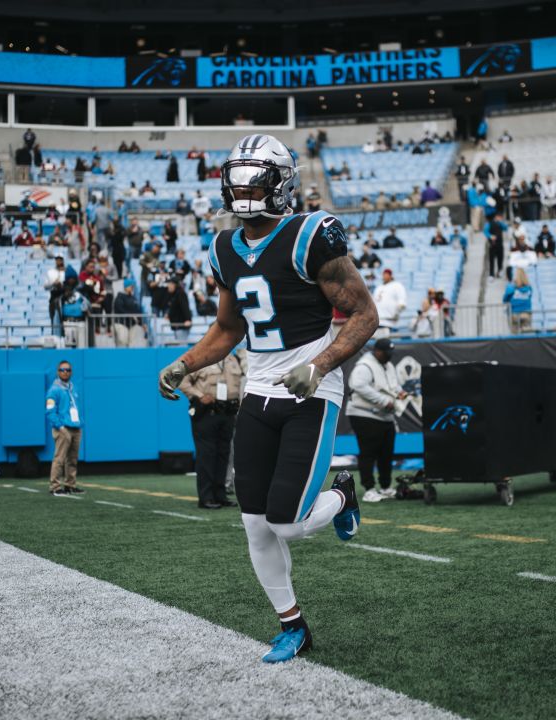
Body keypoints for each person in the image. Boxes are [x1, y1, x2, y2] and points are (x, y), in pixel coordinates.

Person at [157, 134, 377, 665]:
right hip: (259, 390)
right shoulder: (223, 247)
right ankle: (293, 626)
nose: (243, 188)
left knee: (286, 522)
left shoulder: (311, 235)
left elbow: (364, 315)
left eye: (255, 178)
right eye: (238, 177)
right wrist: (186, 363)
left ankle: (344, 495)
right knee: (253, 523)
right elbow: (228, 328)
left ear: (280, 183)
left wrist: (319, 364)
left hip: (312, 388)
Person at [179, 351, 245, 509]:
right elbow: (182, 380)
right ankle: (206, 497)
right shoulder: (201, 358)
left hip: (228, 412)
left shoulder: (234, 359)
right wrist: (199, 395)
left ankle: (220, 495)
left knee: (224, 455)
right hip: (207, 412)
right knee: (207, 455)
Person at [347, 338, 406, 503]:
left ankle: (386, 487)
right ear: (378, 352)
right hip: (364, 414)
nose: (390, 356)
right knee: (368, 453)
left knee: (386, 453)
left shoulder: (388, 365)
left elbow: (394, 385)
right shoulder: (364, 366)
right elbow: (358, 385)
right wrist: (382, 400)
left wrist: (401, 393)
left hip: (385, 415)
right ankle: (369, 489)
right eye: (387, 353)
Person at [46, 360, 83, 496]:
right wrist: (60, 426)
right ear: (58, 371)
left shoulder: (73, 387)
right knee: (59, 458)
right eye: (62, 369)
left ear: (71, 372)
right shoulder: (54, 389)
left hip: (75, 427)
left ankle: (70, 485)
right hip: (63, 428)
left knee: (72, 459)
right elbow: (50, 411)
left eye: (68, 369)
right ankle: (55, 487)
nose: (65, 372)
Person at [372, 268, 407, 336]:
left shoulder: (397, 285)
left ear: (391, 276)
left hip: (389, 322)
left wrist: (397, 312)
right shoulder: (378, 288)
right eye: (384, 274)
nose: (384, 276)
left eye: (386, 274)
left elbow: (402, 302)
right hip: (378, 322)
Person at [503, 268, 534, 335]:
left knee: (514, 336)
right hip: (526, 313)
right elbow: (530, 296)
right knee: (527, 335)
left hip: (515, 313)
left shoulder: (511, 287)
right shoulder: (529, 288)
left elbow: (505, 299)